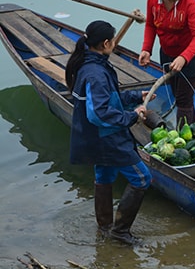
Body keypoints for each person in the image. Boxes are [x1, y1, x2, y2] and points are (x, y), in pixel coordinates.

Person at [65, 20, 153, 245]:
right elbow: (101, 114)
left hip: (93, 138)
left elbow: (109, 98)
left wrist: (137, 96)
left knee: (104, 176)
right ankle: (120, 232)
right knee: (142, 178)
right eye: (113, 40)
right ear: (105, 43)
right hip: (107, 138)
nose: (114, 44)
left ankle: (105, 227)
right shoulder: (95, 73)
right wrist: (132, 117)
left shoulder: (90, 65)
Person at [139, 0, 195, 126]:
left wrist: (184, 58)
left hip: (189, 56)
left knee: (183, 100)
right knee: (178, 94)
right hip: (168, 54)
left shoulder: (190, 4)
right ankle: (193, 128)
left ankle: (183, 140)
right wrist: (146, 49)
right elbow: (150, 25)